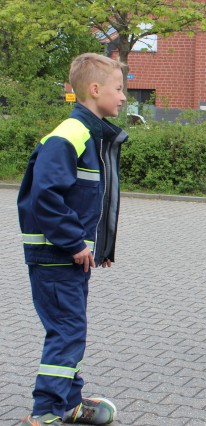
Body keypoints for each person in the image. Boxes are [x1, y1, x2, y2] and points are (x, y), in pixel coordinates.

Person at [16, 53, 128, 425]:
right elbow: (44, 196)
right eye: (119, 88)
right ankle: (46, 412)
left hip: (66, 255)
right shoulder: (71, 134)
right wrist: (76, 243)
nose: (124, 96)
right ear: (95, 90)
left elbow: (83, 199)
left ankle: (68, 403)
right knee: (66, 331)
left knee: (71, 329)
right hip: (56, 256)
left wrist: (100, 246)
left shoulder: (90, 135)